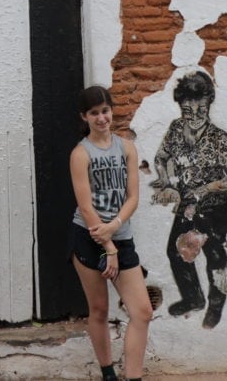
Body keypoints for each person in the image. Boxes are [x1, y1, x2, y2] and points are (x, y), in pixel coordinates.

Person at [68, 85, 151, 381]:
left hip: (120, 234)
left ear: (111, 110)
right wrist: (108, 248)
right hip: (88, 237)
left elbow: (133, 198)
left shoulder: (126, 147)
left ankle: (134, 378)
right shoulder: (81, 154)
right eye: (94, 113)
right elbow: (86, 206)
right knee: (100, 309)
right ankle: (108, 374)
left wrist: (115, 231)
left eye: (105, 111)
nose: (101, 118)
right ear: (84, 116)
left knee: (142, 312)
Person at [152, 71, 227, 329]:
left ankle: (216, 304)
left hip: (215, 205)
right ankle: (193, 298)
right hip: (187, 202)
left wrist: (206, 189)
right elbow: (161, 157)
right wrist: (166, 179)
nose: (193, 115)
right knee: (175, 252)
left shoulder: (218, 138)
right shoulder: (176, 129)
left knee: (215, 257)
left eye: (200, 109)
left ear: (209, 104)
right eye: (187, 110)